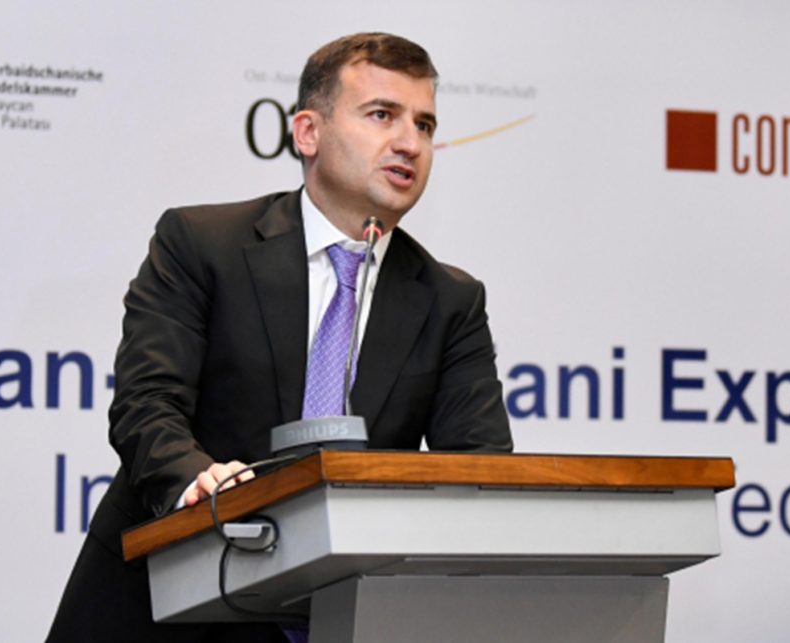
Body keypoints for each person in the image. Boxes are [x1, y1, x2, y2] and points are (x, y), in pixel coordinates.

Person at [47, 32, 512, 642]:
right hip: (167, 601)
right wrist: (200, 482)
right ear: (308, 133)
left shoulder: (450, 300)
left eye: (424, 125)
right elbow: (147, 404)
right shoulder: (202, 245)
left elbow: (478, 471)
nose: (410, 143)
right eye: (382, 115)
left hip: (341, 618)